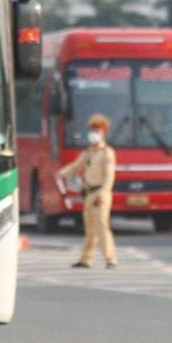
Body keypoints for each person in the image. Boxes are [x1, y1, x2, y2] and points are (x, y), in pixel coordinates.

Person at [57, 113, 117, 269]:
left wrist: (103, 194)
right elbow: (76, 167)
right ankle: (86, 259)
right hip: (89, 193)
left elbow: (109, 176)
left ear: (103, 133)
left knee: (102, 226)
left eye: (97, 131)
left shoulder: (107, 153)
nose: (93, 134)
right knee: (90, 228)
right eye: (92, 131)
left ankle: (110, 259)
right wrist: (62, 173)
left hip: (100, 193)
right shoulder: (89, 152)